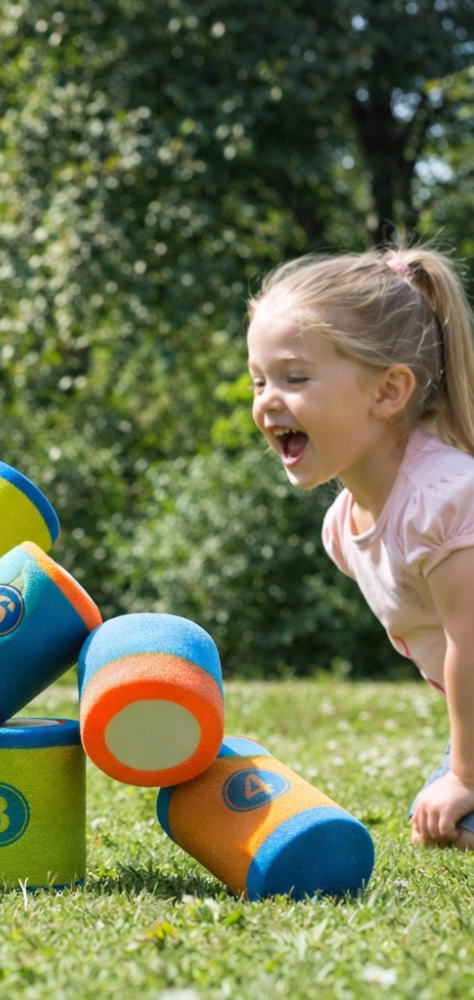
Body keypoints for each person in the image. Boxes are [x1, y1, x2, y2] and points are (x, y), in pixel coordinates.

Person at [246, 243, 474, 851]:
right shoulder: (343, 526)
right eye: (259, 379)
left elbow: (470, 642)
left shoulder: (445, 499)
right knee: (442, 828)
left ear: (388, 392)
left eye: (295, 377)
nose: (268, 400)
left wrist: (463, 774)